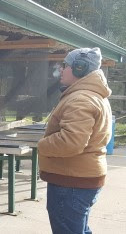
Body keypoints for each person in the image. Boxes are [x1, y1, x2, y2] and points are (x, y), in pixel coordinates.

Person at [37, 47, 112, 234]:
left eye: (66, 65)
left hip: (71, 183)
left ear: (80, 68)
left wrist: (41, 144)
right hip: (79, 179)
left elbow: (71, 142)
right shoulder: (91, 95)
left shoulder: (81, 99)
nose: (61, 69)